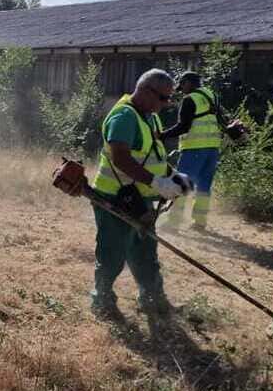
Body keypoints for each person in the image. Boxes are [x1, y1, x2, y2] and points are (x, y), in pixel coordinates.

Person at [90, 69, 192, 318]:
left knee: (145, 252)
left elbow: (154, 155)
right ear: (145, 91)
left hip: (140, 199)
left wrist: (173, 176)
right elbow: (121, 158)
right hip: (116, 197)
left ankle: (153, 299)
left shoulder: (150, 117)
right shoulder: (124, 117)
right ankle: (102, 302)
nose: (166, 104)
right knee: (112, 253)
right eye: (163, 98)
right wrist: (157, 182)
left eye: (169, 99)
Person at [159, 71, 244, 230]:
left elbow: (183, 127)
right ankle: (199, 222)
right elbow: (222, 121)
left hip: (194, 148)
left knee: (182, 183)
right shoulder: (212, 96)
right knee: (204, 186)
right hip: (213, 149)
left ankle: (173, 222)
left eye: (182, 86)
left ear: (188, 83)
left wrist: (163, 135)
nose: (182, 90)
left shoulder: (190, 99)